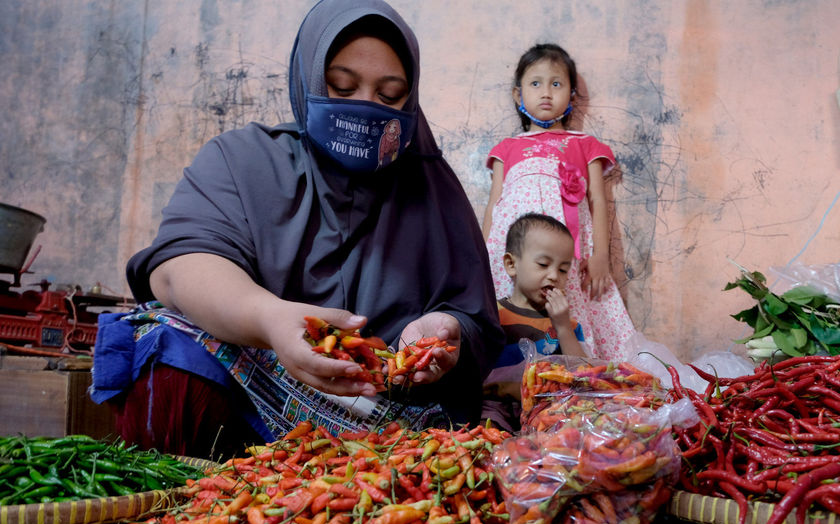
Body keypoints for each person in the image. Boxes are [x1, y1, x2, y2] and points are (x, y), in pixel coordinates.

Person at [91, 0, 503, 459]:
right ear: (306, 79)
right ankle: (185, 501)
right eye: (341, 87)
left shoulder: (435, 193)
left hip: (383, 421)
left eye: (389, 96)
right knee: (167, 340)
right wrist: (269, 320)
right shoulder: (243, 160)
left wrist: (445, 332)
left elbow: (477, 324)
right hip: (251, 403)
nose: (365, 108)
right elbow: (180, 267)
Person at [481, 43, 636, 362]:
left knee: (570, 308)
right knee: (505, 319)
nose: (546, 92)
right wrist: (482, 257)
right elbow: (494, 206)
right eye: (535, 83)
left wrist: (601, 257)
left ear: (572, 95)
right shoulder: (507, 148)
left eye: (557, 83)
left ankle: (570, 367)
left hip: (568, 254)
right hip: (511, 250)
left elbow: (598, 201)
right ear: (517, 94)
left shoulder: (585, 146)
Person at [482, 213, 585, 431]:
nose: (554, 275)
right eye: (543, 264)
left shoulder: (568, 323)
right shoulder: (492, 314)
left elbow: (582, 375)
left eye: (563, 269)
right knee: (484, 440)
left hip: (546, 410)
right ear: (511, 264)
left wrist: (563, 327)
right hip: (492, 405)